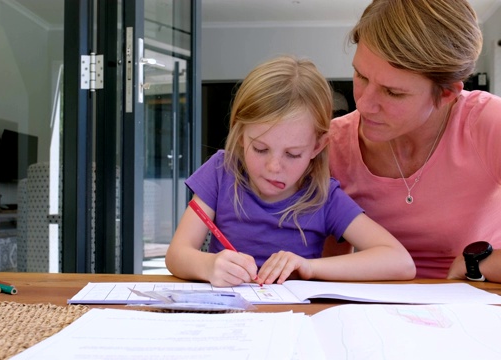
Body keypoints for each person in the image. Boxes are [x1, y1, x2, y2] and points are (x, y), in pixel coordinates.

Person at [327, 0, 501, 292]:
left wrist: (480, 263)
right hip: (385, 317)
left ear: (447, 93)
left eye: (393, 92)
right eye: (361, 75)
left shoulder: (494, 124)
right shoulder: (334, 145)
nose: (365, 104)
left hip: (491, 309)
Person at [166, 55, 415, 287]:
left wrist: (309, 267)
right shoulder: (221, 171)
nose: (274, 167)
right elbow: (177, 254)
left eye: (292, 154)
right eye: (261, 149)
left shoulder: (324, 197)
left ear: (317, 146)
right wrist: (209, 266)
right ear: (240, 135)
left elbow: (399, 262)